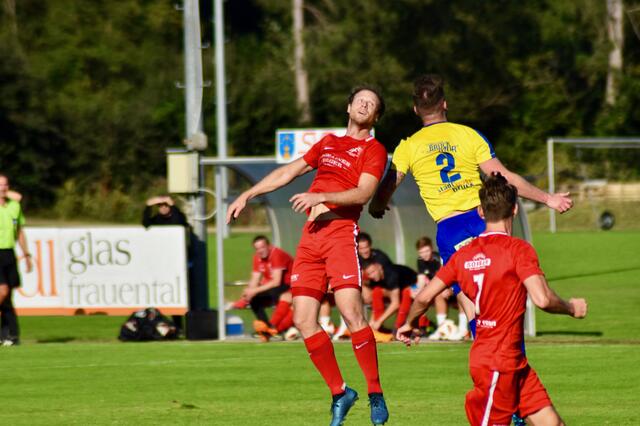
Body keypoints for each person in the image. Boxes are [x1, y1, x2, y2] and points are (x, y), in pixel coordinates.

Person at [227, 85, 390, 426]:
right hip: (310, 239)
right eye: (360, 100)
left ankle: (375, 393)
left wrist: (321, 197)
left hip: (341, 234)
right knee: (303, 320)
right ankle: (340, 392)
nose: (364, 104)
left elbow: (364, 192)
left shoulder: (373, 149)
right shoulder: (328, 143)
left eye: (371, 104)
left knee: (351, 312)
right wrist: (249, 193)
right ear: (348, 107)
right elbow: (288, 171)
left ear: (375, 116)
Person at [369, 73, 573, 329]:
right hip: (483, 220)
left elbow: (389, 184)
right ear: (444, 104)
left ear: (415, 110)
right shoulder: (468, 135)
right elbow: (504, 176)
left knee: (468, 298)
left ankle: (483, 344)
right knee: (506, 287)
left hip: (450, 229)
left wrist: (377, 206)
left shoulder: (408, 146)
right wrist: (548, 199)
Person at [397, 172, 588, 425]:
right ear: (515, 209)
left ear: (480, 211)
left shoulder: (461, 257)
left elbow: (423, 298)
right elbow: (542, 299)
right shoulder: (519, 250)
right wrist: (571, 307)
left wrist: (409, 323)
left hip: (511, 362)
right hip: (498, 363)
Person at [142, 195, 189, 334]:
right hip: (160, 262)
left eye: (165, 205)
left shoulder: (176, 217)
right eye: (160, 206)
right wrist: (148, 206)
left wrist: (172, 205)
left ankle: (178, 327)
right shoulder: (156, 220)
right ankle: (158, 326)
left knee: (177, 295)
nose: (163, 208)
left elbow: (179, 221)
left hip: (176, 263)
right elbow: (145, 223)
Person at [242, 235, 295, 342]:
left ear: (269, 246)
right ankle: (266, 328)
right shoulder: (257, 257)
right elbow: (255, 278)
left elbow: (276, 281)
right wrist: (249, 292)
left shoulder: (276, 254)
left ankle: (273, 328)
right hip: (276, 286)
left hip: (290, 284)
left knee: (276, 293)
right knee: (254, 299)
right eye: (257, 249)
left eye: (262, 247)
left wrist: (254, 290)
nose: (260, 251)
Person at [0, 174, 32, 346]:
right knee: (2, 291)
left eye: (5, 185)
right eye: (0, 185)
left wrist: (26, 255)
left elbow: (19, 231)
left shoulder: (14, 206)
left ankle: (10, 335)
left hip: (8, 253)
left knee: (7, 296)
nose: (3, 188)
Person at [415, 236, 465, 340]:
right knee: (437, 294)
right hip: (440, 290)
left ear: (432, 248)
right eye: (421, 252)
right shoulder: (420, 261)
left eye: (427, 251)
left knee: (461, 294)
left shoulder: (439, 259)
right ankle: (442, 329)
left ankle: (463, 330)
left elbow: (448, 276)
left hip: (453, 285)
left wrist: (450, 289)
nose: (424, 254)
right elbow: (421, 280)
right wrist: (418, 293)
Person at [361, 260, 416, 334]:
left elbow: (395, 304)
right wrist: (371, 324)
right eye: (369, 274)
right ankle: (378, 329)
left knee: (406, 293)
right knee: (377, 292)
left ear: (379, 267)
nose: (372, 275)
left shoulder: (391, 274)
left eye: (373, 271)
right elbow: (375, 305)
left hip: (415, 287)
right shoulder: (374, 280)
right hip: (398, 291)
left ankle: (398, 328)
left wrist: (379, 321)